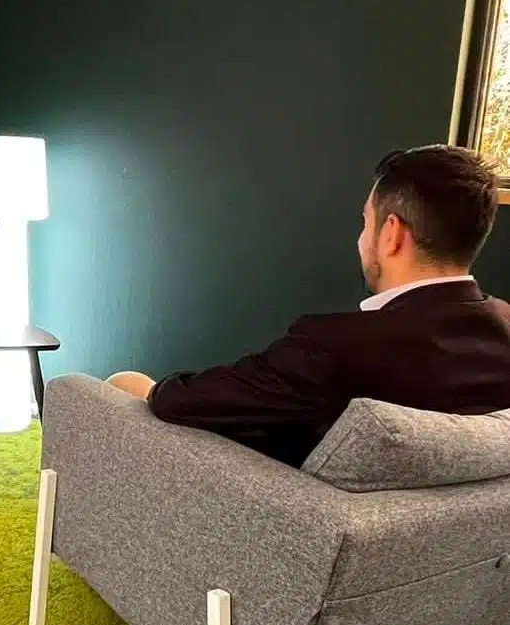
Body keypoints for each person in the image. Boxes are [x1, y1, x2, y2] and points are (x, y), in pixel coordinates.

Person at [107, 145, 510, 467]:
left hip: (272, 517)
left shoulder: (331, 349)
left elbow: (181, 402)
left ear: (392, 234)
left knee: (125, 385)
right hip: (446, 543)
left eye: (366, 222)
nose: (361, 239)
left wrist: (149, 389)